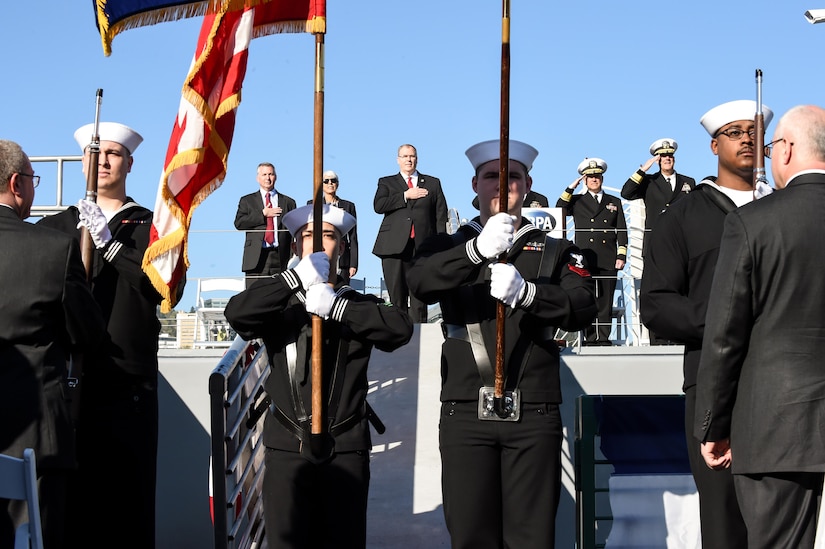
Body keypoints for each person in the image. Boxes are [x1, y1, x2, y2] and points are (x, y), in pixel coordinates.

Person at [407, 139, 596, 548]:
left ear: (527, 184)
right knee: (471, 536)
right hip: (465, 411)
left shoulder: (557, 250)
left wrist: (530, 295)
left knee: (531, 538)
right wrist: (474, 252)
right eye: (492, 176)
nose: (501, 184)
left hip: (534, 409)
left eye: (512, 176)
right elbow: (419, 284)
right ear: (474, 183)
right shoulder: (446, 245)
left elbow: (583, 306)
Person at [224, 203, 413, 548]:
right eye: (307, 236)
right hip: (287, 445)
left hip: (344, 446)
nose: (317, 243)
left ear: (341, 247)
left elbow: (399, 329)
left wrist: (338, 309)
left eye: (328, 236)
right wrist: (293, 280)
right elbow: (238, 313)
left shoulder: (357, 301)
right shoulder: (278, 301)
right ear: (295, 246)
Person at [641, 99, 774, 548]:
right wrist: (726, 318)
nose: (747, 139)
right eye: (735, 132)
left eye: (754, 131)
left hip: (785, 383)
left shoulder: (787, 207)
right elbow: (656, 305)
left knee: (785, 520)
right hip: (713, 383)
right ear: (714, 145)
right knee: (723, 520)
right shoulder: (682, 216)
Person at [694, 105, 825, 548]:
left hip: (776, 426)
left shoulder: (754, 221)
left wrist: (713, 425)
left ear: (786, 150)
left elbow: (725, 336)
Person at [37, 122, 163, 547]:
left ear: (129, 163)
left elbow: (160, 288)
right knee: (68, 511)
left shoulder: (152, 227)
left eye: (112, 153)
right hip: (65, 380)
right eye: (95, 153)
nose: (103, 161)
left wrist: (109, 243)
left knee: (126, 507)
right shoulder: (53, 227)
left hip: (126, 381)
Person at [0, 140, 105, 549]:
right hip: (36, 436)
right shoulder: (53, 249)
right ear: (17, 184)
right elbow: (88, 334)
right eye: (32, 179)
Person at [372, 144, 448, 322]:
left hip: (422, 247)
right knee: (397, 295)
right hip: (393, 247)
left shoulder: (432, 183)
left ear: (417, 159)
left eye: (412, 156)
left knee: (419, 296)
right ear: (398, 160)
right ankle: (399, 335)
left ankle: (418, 337)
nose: (409, 159)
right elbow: (378, 206)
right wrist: (405, 195)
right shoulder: (386, 182)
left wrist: (440, 246)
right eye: (405, 156)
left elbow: (440, 216)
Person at [556, 158, 627, 345]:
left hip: (607, 256)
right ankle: (590, 337)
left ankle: (603, 338)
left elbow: (621, 229)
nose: (594, 180)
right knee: (587, 299)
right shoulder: (578, 201)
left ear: (602, 178)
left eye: (597, 176)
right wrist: (571, 187)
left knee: (605, 300)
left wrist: (621, 255)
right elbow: (560, 208)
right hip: (585, 258)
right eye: (590, 177)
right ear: (585, 180)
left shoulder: (614, 201)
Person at [621, 138, 696, 254]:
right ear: (657, 160)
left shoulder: (688, 182)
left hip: (682, 241)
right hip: (656, 242)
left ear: (674, 159)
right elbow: (626, 193)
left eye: (670, 155)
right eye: (663, 156)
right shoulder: (649, 181)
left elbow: (693, 211)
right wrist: (642, 170)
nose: (667, 158)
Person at [234, 162, 297, 288]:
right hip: (256, 257)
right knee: (254, 297)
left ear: (276, 177)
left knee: (280, 295)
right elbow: (239, 223)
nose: (268, 178)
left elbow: (293, 230)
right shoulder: (247, 200)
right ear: (258, 178)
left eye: (271, 174)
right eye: (264, 174)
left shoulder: (288, 202)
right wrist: (263, 214)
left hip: (280, 256)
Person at [306, 169, 358, 283]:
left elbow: (353, 236)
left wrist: (353, 263)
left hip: (343, 259)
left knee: (342, 293)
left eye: (333, 180)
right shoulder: (312, 204)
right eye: (326, 181)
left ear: (337, 184)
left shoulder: (348, 206)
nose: (330, 183)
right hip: (320, 256)